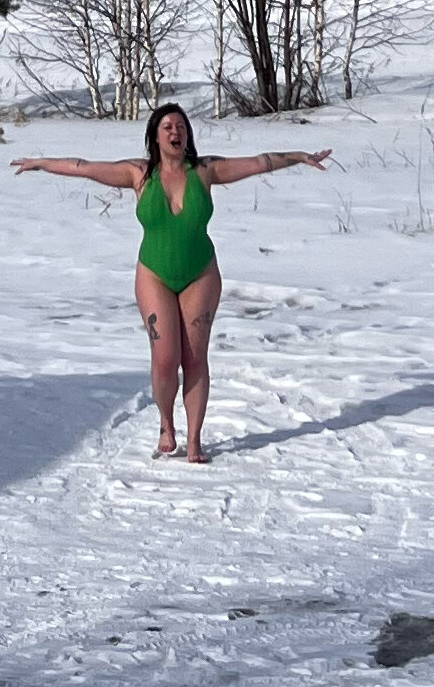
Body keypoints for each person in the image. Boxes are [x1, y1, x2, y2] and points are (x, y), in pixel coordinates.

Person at [16, 99, 330, 461]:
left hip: (200, 273)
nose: (175, 132)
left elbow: (260, 162)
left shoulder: (205, 171)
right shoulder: (139, 174)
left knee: (195, 359)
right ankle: (166, 423)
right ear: (155, 136)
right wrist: (42, 163)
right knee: (166, 360)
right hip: (154, 274)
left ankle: (194, 440)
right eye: (167, 127)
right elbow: (84, 167)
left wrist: (299, 156)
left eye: (180, 126)